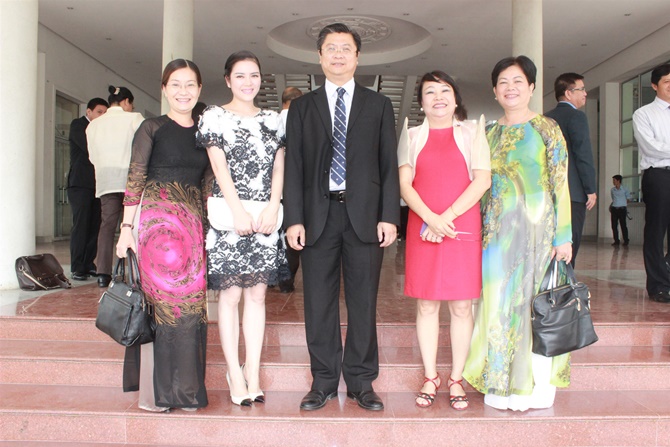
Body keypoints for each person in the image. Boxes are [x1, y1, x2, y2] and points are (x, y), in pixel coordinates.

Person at [284, 23, 400, 412]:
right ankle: (323, 381)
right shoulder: (302, 107)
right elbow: (295, 166)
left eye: (345, 48)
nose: (338, 54)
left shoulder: (378, 104)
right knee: (318, 302)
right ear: (319, 57)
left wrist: (389, 215)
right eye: (331, 48)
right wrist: (294, 219)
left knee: (363, 302)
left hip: (365, 216)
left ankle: (362, 383)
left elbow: (388, 164)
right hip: (317, 217)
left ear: (357, 57)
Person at [463, 55, 572, 411]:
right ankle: (500, 382)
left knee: (534, 306)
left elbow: (560, 183)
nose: (510, 88)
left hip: (539, 230)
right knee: (497, 304)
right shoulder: (487, 133)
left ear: (531, 87)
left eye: (518, 82)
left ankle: (536, 386)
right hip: (496, 234)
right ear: (494, 91)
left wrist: (564, 236)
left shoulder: (547, 128)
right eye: (503, 83)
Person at [115, 59, 210, 412]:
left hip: (193, 231)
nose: (183, 91)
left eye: (190, 85)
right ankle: (158, 396)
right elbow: (135, 179)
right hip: (157, 233)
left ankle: (186, 392)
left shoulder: (206, 133)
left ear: (199, 89)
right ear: (165, 89)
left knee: (190, 310)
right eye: (175, 84)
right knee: (161, 309)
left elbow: (209, 185)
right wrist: (126, 230)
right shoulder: (151, 127)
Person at [197, 50, 288, 407]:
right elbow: (219, 167)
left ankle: (253, 370)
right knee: (231, 296)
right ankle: (233, 372)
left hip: (264, 216)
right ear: (228, 80)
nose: (248, 82)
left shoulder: (274, 120)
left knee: (258, 296)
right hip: (230, 216)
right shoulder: (214, 116)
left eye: (254, 75)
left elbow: (279, 167)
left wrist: (273, 206)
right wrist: (236, 212)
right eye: (240, 75)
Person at [398, 71, 491, 410]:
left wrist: (445, 218)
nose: (438, 97)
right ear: (421, 102)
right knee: (426, 304)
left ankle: (456, 378)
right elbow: (405, 185)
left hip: (460, 226)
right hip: (423, 226)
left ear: (455, 98)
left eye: (445, 90)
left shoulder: (473, 133)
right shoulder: (411, 136)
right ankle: (430, 376)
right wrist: (431, 219)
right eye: (430, 92)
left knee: (462, 306)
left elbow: (482, 181)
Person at [87, 85, 144, 287]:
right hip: (131, 179)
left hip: (106, 179)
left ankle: (103, 273)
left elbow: (92, 156)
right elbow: (143, 149)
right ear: (126, 102)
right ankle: (137, 271)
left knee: (107, 225)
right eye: (131, 104)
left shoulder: (93, 125)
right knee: (133, 224)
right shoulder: (135, 119)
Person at [545, 72, 597, 267]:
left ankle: (550, 283)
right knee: (569, 245)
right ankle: (565, 282)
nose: (585, 93)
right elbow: (583, 154)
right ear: (568, 93)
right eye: (581, 89)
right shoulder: (577, 117)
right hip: (573, 193)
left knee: (550, 244)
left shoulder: (545, 118)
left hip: (548, 192)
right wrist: (590, 189)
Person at [633, 63, 670, 303]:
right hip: (659, 177)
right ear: (655, 85)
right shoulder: (643, 114)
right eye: (667, 82)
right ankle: (659, 286)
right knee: (656, 231)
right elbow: (651, 147)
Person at [67, 97, 108, 281]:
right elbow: (89, 148)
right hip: (80, 184)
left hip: (98, 184)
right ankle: (77, 266)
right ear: (88, 112)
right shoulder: (78, 125)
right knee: (81, 225)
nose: (102, 116)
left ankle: (88, 263)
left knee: (94, 225)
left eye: (105, 113)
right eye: (99, 112)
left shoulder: (101, 130)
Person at [277, 86, 303, 293]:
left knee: (274, 234)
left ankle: (273, 276)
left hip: (273, 192)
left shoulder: (272, 122)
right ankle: (287, 279)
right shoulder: (303, 123)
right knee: (293, 233)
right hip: (297, 189)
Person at [610, 174, 631, 246]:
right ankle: (616, 240)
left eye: (614, 180)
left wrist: (623, 204)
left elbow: (628, 199)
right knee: (614, 225)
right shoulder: (612, 190)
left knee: (623, 225)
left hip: (622, 209)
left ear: (618, 181)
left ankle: (626, 240)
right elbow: (613, 198)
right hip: (614, 209)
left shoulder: (625, 189)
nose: (613, 182)